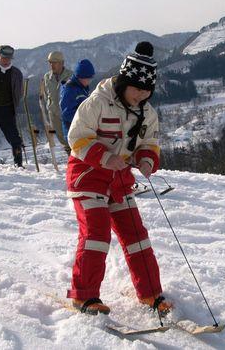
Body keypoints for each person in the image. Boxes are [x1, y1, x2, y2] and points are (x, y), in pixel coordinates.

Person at [65, 42, 172, 315]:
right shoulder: (97, 103)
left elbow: (150, 141)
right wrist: (104, 156)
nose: (142, 95)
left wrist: (147, 158)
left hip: (119, 180)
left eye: (147, 90)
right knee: (96, 234)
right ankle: (84, 296)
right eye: (137, 88)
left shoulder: (147, 113)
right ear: (124, 83)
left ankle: (151, 293)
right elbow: (77, 138)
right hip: (88, 177)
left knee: (136, 235)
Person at [59, 59, 95, 153]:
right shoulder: (69, 90)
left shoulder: (82, 87)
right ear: (81, 77)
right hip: (73, 132)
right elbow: (67, 113)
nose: (90, 81)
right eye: (88, 78)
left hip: (82, 130)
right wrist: (84, 119)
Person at [40, 51, 72, 152]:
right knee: (62, 139)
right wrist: (50, 107)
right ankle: (70, 160)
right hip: (54, 114)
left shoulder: (71, 76)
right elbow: (46, 95)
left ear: (62, 63)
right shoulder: (47, 77)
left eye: (54, 62)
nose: (51, 65)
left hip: (68, 113)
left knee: (72, 138)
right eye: (50, 62)